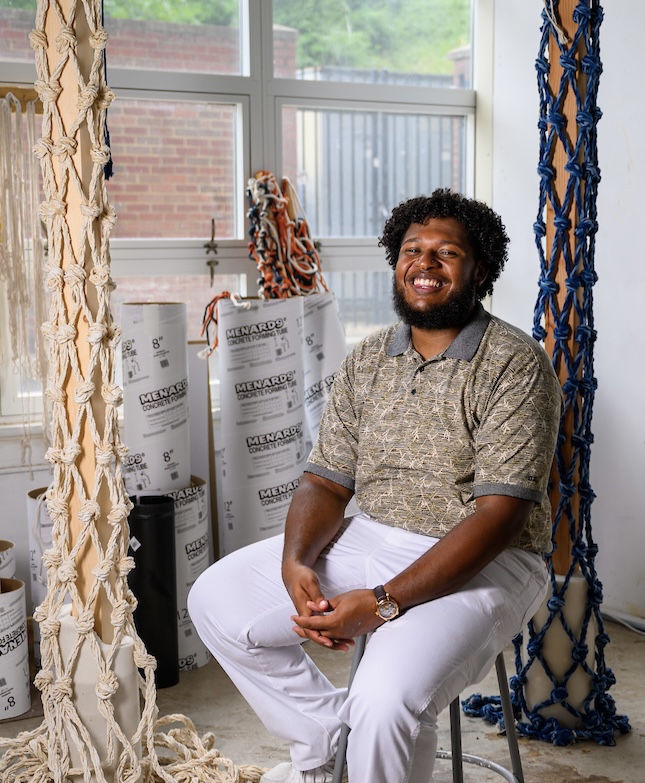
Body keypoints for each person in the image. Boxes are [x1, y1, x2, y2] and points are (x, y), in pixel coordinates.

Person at [188, 189, 562, 783]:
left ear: (480, 271)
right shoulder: (368, 359)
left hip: (491, 559)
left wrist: (384, 602)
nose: (426, 264)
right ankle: (324, 747)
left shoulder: (515, 363)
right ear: (395, 261)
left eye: (447, 253)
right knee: (216, 600)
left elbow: (500, 516)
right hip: (371, 536)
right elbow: (325, 480)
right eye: (413, 250)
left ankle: (360, 743)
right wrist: (295, 561)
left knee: (386, 704)